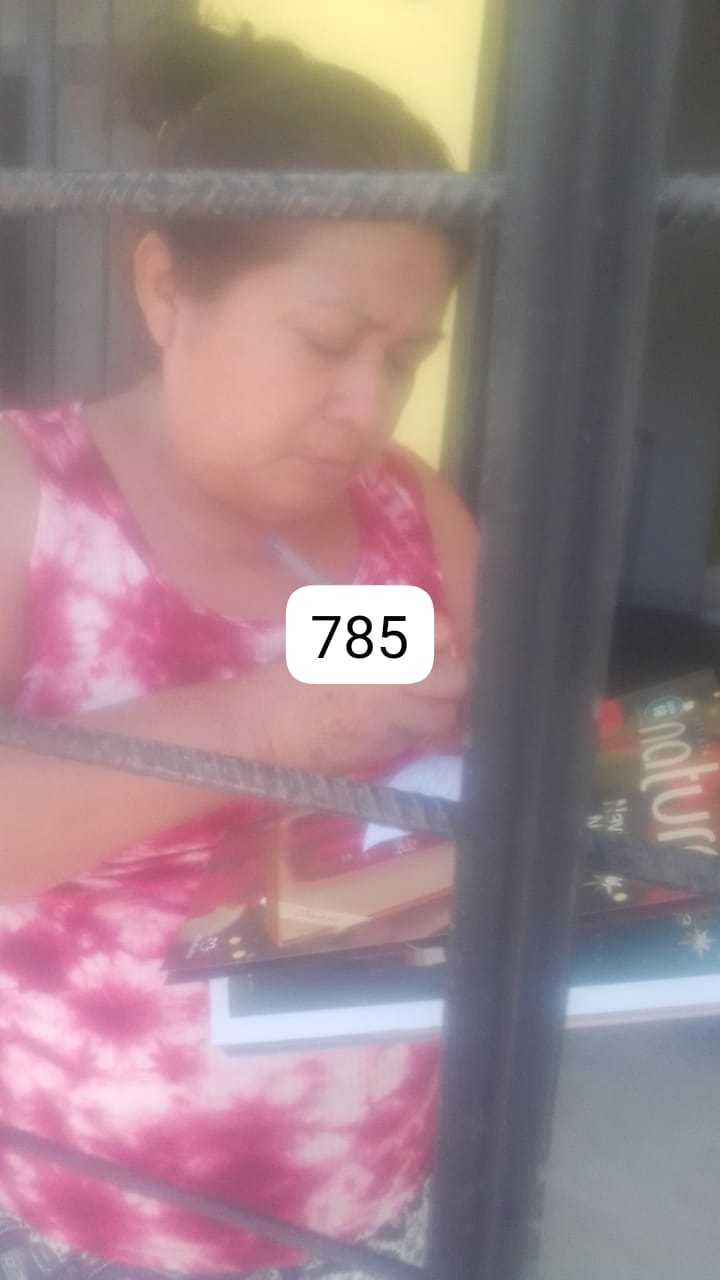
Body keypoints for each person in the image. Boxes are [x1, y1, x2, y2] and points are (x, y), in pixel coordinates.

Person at [0, 17, 479, 1280]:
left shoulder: (407, 508)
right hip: (94, 1220)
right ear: (167, 289)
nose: (367, 408)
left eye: (406, 359)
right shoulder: (30, 498)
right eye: (326, 343)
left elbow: (484, 743)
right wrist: (264, 723)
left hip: (370, 1199)